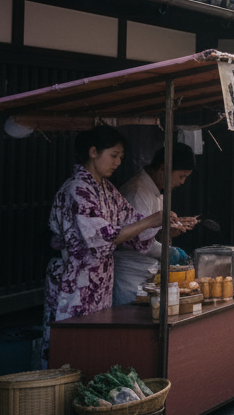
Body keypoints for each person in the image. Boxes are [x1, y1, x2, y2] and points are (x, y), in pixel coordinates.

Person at [43, 126, 167, 362]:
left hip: (100, 278)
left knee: (97, 341)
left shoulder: (107, 188)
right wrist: (151, 221)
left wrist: (163, 223)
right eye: (114, 155)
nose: (118, 162)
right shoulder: (77, 189)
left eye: (121, 157)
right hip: (75, 277)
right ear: (93, 152)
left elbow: (130, 221)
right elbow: (102, 236)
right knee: (73, 340)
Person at [114, 143, 197, 306]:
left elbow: (150, 233)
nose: (182, 182)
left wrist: (168, 231)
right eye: (181, 176)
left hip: (147, 273)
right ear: (163, 169)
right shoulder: (137, 192)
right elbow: (137, 240)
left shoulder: (157, 191)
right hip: (130, 277)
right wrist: (168, 252)